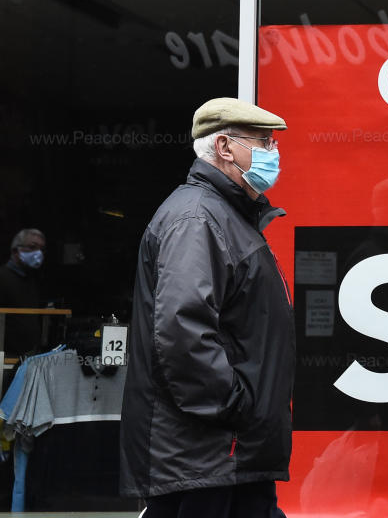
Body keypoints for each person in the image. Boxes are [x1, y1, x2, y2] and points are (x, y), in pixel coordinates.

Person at [119, 98, 295, 518]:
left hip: (228, 455)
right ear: (225, 147)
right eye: (263, 142)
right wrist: (238, 409)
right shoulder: (198, 220)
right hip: (207, 454)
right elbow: (183, 334)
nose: (274, 154)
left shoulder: (225, 216)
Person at [0, 229, 46, 356]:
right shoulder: (3, 277)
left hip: (29, 356)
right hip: (6, 358)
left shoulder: (32, 279)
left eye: (41, 249)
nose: (38, 253)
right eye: (32, 247)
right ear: (16, 250)